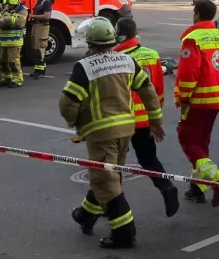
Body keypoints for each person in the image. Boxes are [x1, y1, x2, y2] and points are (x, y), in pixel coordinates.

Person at [61, 17, 164, 249]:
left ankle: (124, 232)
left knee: (105, 181)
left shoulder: (84, 68)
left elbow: (67, 103)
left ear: (89, 42)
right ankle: (86, 215)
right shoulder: (127, 61)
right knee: (109, 176)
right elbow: (148, 91)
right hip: (126, 129)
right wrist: (155, 121)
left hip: (100, 132)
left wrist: (75, 123)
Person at [174, 0, 219, 207]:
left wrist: (184, 98)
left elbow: (187, 73)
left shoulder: (193, 39)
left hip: (199, 99)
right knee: (200, 142)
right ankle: (196, 188)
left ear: (197, 14)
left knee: (187, 139)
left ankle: (218, 180)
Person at [113, 18, 180, 217]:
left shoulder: (115, 57)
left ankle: (113, 205)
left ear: (119, 35)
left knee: (112, 164)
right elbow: (157, 90)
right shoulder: (152, 55)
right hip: (145, 119)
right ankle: (166, 186)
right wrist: (155, 120)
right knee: (148, 159)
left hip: (121, 119)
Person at [0, 0, 28, 88]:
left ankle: (17, 80)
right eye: (7, 5)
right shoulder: (6, 9)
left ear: (15, 3)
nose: (8, 7)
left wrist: (7, 20)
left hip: (15, 41)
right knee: (3, 62)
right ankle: (6, 78)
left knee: (13, 62)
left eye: (10, 5)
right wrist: (0, 20)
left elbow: (20, 22)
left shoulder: (23, 10)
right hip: (4, 40)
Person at [29, 0, 51, 79]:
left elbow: (47, 16)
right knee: (35, 48)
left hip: (42, 27)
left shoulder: (45, 2)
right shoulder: (38, 2)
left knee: (40, 48)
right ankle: (37, 70)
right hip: (36, 26)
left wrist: (33, 16)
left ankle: (41, 71)